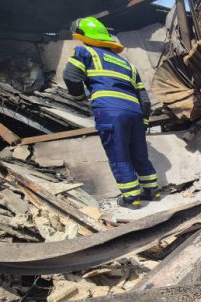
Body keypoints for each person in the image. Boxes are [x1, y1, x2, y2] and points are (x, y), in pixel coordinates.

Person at [62, 17, 160, 209]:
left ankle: (131, 198)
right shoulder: (128, 65)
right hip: (135, 113)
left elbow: (70, 76)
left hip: (111, 111)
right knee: (139, 154)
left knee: (119, 155)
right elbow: (145, 99)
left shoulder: (85, 52)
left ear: (84, 36)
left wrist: (79, 97)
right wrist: (144, 121)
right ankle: (152, 190)